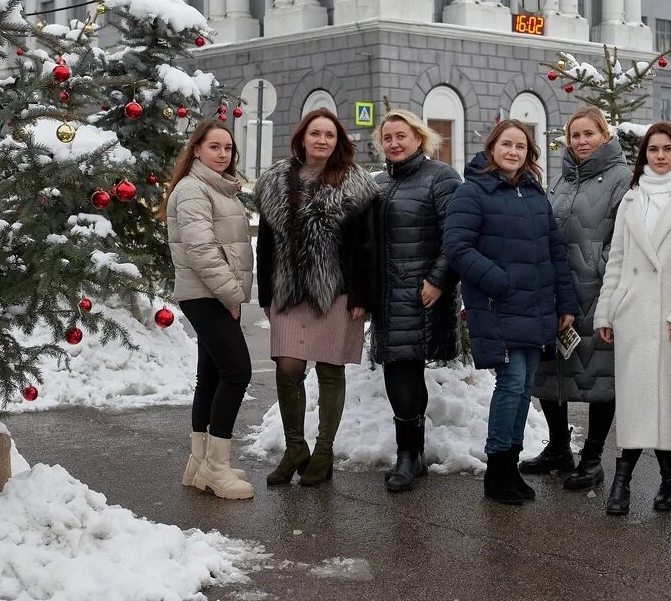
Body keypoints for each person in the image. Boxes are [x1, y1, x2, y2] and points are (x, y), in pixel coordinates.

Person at [443, 119, 579, 506]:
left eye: (521, 146)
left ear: (529, 153)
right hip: (497, 303)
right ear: (492, 148)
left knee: (524, 388)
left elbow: (555, 251)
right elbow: (456, 247)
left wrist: (565, 302)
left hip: (536, 306)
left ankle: (510, 466)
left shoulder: (534, 194)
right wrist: (498, 280)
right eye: (507, 144)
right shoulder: (472, 192)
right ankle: (497, 469)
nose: (514, 151)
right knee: (511, 384)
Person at [592, 122, 671, 514]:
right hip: (632, 310)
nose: (659, 156)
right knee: (634, 399)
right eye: (652, 150)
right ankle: (624, 481)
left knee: (665, 400)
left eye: (667, 149)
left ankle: (668, 479)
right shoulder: (632, 197)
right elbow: (617, 259)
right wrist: (607, 309)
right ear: (643, 155)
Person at [254, 108, 377, 488]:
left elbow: (365, 245)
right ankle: (295, 448)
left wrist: (360, 293)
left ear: (338, 141)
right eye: (315, 134)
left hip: (336, 291)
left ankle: (323, 451)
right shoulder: (275, 180)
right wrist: (265, 291)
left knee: (329, 368)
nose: (322, 140)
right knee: (288, 366)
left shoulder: (355, 183)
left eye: (329, 135)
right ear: (302, 139)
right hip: (288, 291)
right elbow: (268, 244)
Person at [522, 107, 631, 491]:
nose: (581, 142)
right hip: (558, 291)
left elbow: (626, 236)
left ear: (604, 135)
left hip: (599, 292)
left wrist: (597, 268)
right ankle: (558, 448)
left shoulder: (622, 178)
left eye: (588, 134)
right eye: (574, 136)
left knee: (600, 375)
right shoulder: (561, 181)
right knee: (552, 371)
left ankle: (592, 457)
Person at [159, 120, 255, 500]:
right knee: (237, 373)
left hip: (210, 293)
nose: (222, 154)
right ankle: (216, 469)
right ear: (196, 149)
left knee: (211, 375)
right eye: (214, 147)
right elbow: (201, 252)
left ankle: (199, 463)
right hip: (207, 294)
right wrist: (231, 296)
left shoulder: (214, 187)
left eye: (227, 148)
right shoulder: (194, 190)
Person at [371, 110, 463, 493]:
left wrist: (439, 280)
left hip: (423, 292)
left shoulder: (441, 177)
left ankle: (411, 457)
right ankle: (409, 454)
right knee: (396, 367)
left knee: (407, 365)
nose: (394, 143)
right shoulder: (377, 184)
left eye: (401, 136)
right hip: (386, 295)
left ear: (419, 138)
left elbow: (456, 234)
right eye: (387, 137)